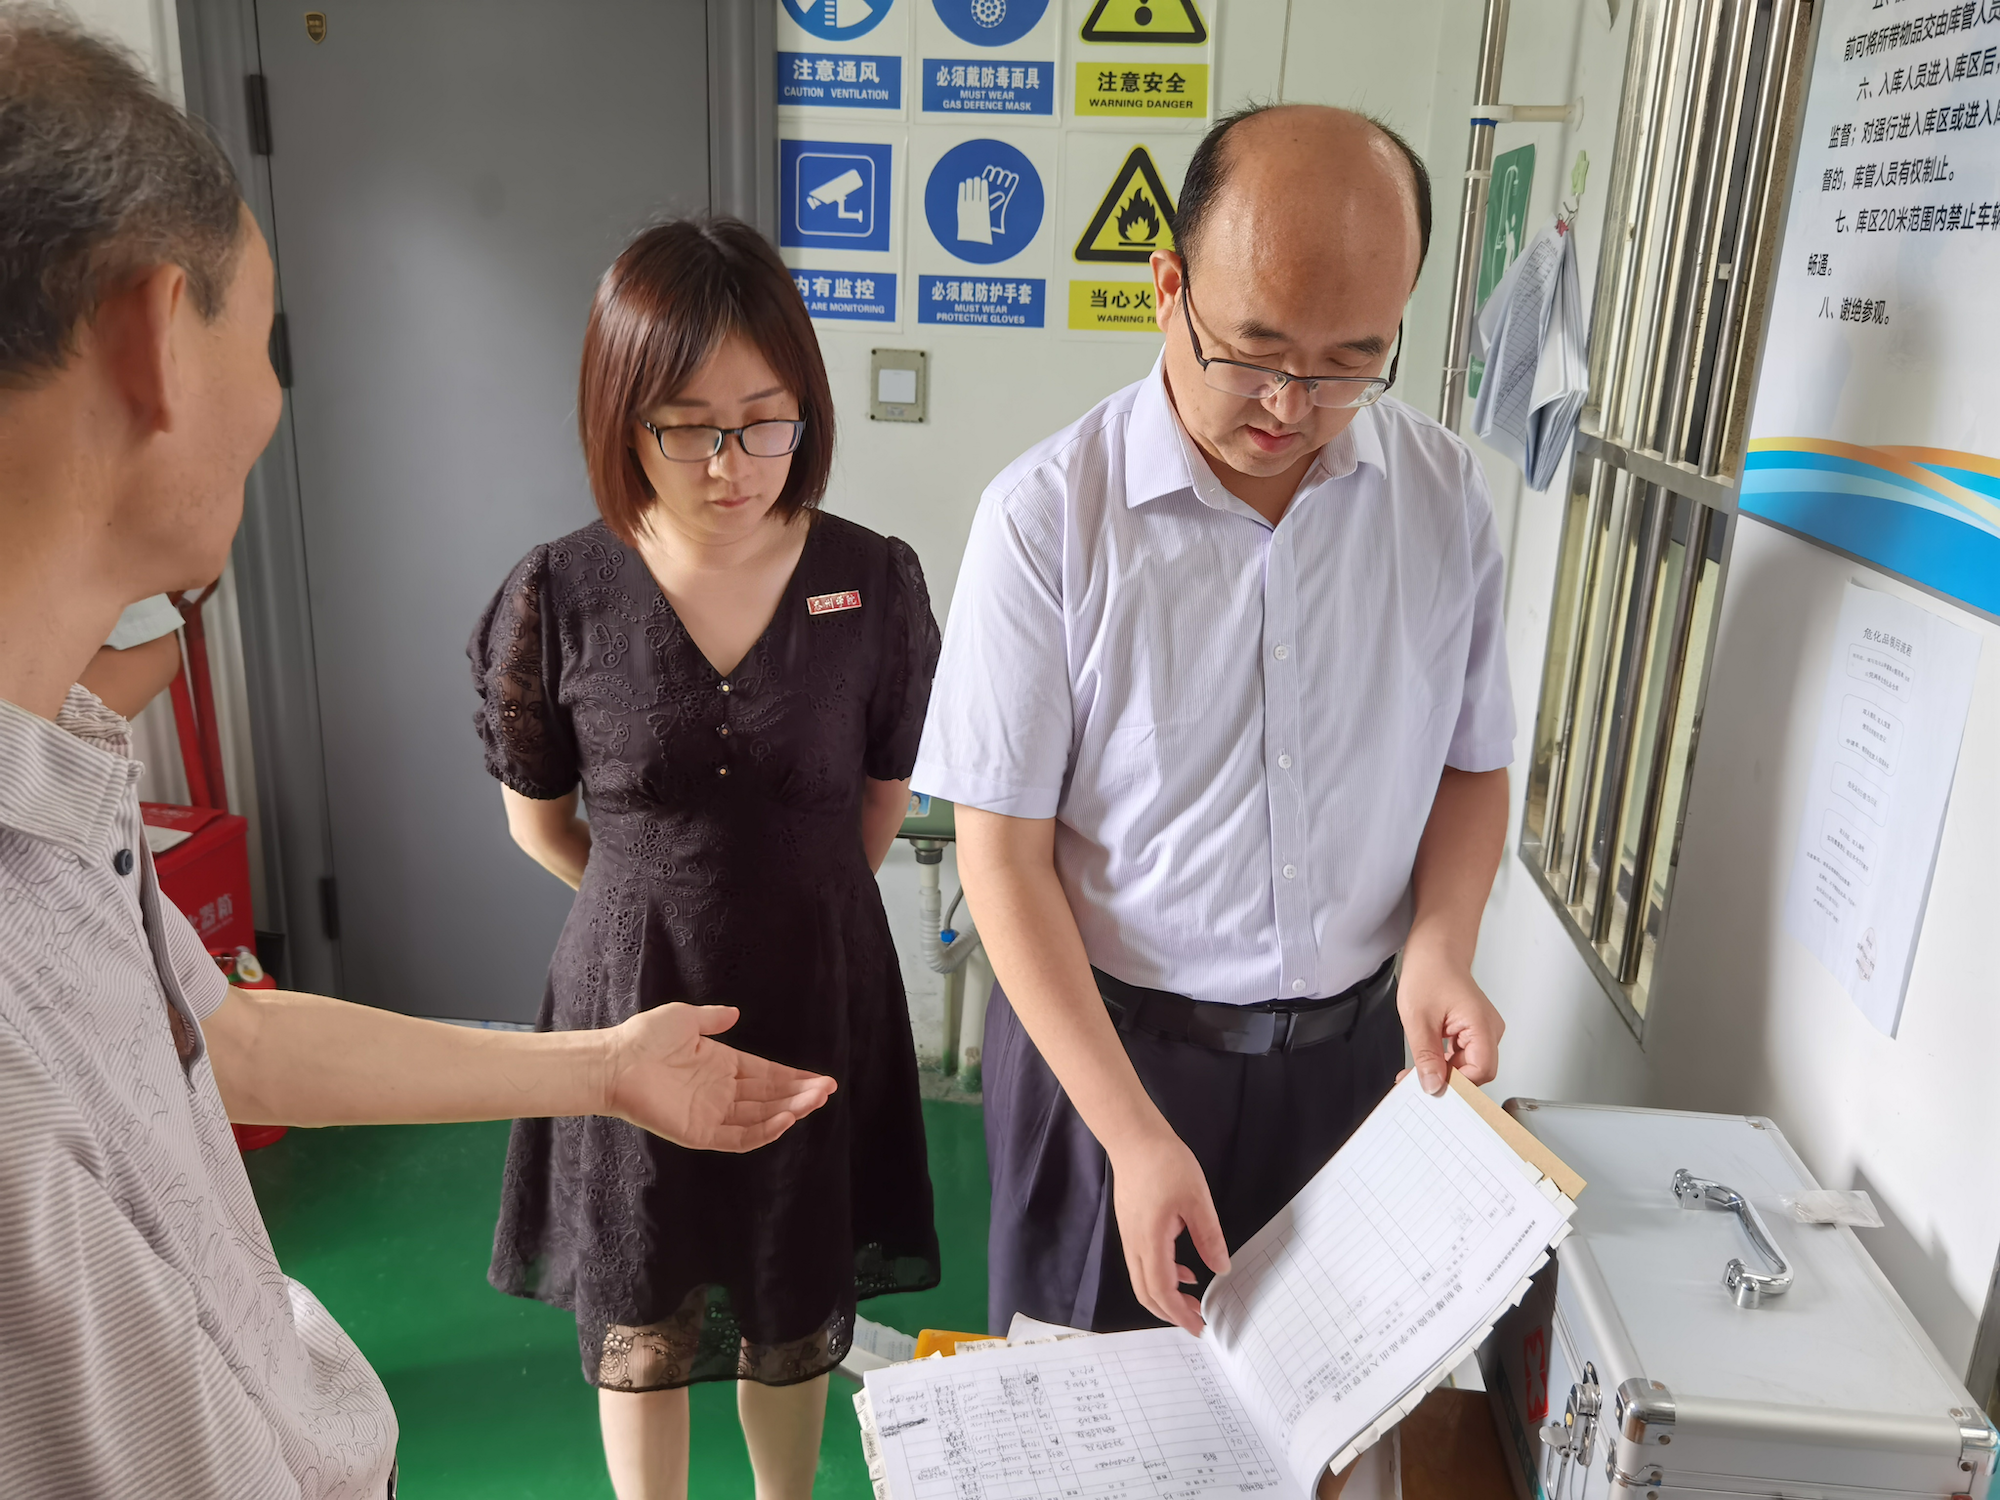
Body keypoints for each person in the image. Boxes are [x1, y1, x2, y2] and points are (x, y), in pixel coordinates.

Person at [0, 11, 834, 1497]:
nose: (276, 397)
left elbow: (233, 1041)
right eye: (262, 340)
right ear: (152, 345)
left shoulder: (63, 774)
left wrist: (607, 1068)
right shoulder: (559, 589)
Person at [913, 104, 1514, 1358]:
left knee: (1332, 1402)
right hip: (1110, 1065)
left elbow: (1469, 764)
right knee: (1093, 1413)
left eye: (1350, 361)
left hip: (1355, 1062)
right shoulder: (1046, 520)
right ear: (1167, 289)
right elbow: (1001, 856)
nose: (1292, 402)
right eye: (1254, 351)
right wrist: (1131, 1136)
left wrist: (1440, 946)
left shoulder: (1441, 498)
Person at [470, 216, 942, 1500]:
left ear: (805, 411)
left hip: (816, 992)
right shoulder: (559, 593)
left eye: (763, 422)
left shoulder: (872, 583)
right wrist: (662, 905)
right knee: (643, 1293)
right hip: (630, 998)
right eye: (687, 428)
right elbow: (540, 825)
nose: (730, 465)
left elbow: (878, 802)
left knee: (793, 1284)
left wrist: (786, 905)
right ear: (620, 416)